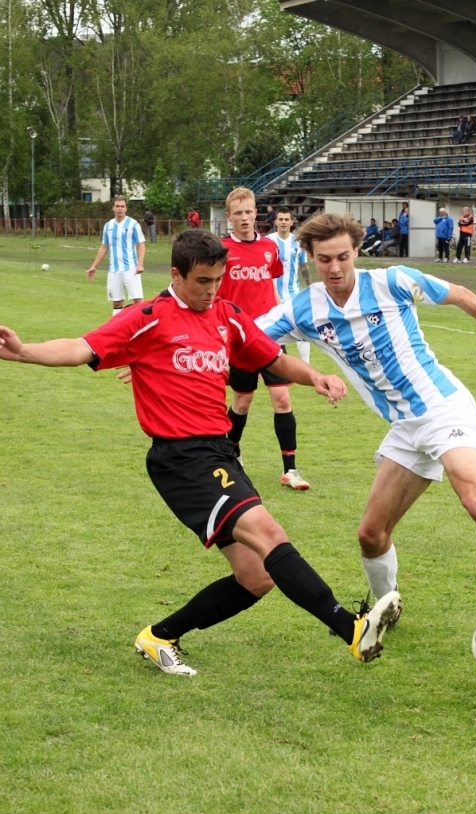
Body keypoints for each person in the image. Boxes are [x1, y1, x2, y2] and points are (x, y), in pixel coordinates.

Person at [0, 229, 402, 675]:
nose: (212, 290)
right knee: (269, 534)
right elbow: (81, 348)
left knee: (256, 576)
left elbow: (272, 359)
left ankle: (160, 636)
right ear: (176, 274)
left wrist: (315, 377)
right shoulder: (148, 317)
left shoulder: (227, 315)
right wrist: (22, 352)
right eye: (202, 281)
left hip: (219, 453)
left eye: (217, 280)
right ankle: (351, 629)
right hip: (181, 460)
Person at [257, 213, 476, 651]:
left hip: (443, 407)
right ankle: (386, 608)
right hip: (405, 428)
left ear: (356, 251)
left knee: (473, 494)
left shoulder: (392, 281)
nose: (335, 268)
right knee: (371, 534)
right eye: (324, 260)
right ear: (311, 258)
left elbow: (459, 294)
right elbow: (246, 340)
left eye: (343, 257)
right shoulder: (303, 308)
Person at [219, 187, 310, 491]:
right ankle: (233, 454)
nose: (244, 218)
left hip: (269, 336)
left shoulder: (269, 248)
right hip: (239, 339)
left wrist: (279, 314)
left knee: (282, 398)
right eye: (238, 213)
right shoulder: (221, 250)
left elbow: (270, 285)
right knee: (242, 402)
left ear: (256, 212)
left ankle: (291, 470)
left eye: (249, 211)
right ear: (229, 216)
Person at [86, 196, 145, 316]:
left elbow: (141, 245)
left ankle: (144, 326)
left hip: (131, 269)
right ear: (113, 208)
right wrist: (94, 266)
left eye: (122, 206)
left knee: (138, 301)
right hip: (113, 270)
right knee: (117, 303)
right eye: (117, 206)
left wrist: (140, 265)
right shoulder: (108, 226)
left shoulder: (133, 224)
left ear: (126, 208)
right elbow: (104, 247)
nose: (120, 209)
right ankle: (117, 327)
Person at [268, 205, 312, 363]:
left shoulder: (298, 243)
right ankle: (273, 365)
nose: (283, 222)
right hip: (272, 295)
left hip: (293, 294)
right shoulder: (268, 241)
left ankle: (306, 364)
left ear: (291, 222)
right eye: (280, 219)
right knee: (273, 331)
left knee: (302, 328)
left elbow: (303, 266)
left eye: (286, 219)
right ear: (275, 221)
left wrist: (310, 286)